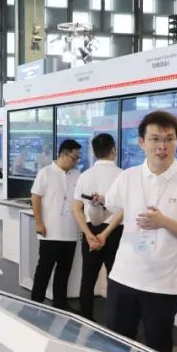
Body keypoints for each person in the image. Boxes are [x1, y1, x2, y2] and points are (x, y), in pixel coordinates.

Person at [97, 111, 177, 352]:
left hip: (163, 285)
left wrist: (164, 222)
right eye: (155, 139)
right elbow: (107, 209)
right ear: (141, 142)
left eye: (169, 139)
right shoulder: (128, 177)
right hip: (124, 278)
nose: (162, 146)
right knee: (115, 347)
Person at [71, 133, 123, 321]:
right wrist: (106, 234)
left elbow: (76, 208)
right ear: (113, 150)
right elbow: (124, 210)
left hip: (91, 232)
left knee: (88, 278)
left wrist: (88, 234)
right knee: (116, 279)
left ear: (93, 151)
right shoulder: (123, 175)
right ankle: (115, 321)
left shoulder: (85, 176)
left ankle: (86, 319)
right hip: (115, 232)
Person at [30, 139, 82, 310]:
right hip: (50, 231)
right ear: (63, 154)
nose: (76, 161)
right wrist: (39, 223)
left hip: (70, 232)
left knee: (64, 271)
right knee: (44, 269)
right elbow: (35, 198)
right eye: (74, 158)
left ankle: (60, 303)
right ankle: (36, 303)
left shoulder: (77, 175)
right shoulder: (45, 173)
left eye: (78, 158)